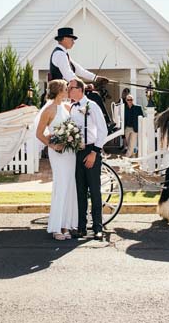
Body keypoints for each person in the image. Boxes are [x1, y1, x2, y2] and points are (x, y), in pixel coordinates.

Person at [35, 79, 78, 240]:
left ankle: (66, 226)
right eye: (66, 88)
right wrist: (52, 146)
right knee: (61, 186)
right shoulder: (48, 109)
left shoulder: (67, 107)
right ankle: (56, 227)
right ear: (59, 90)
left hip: (70, 152)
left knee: (70, 186)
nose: (68, 90)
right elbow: (39, 134)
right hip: (58, 153)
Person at [49, 27, 113, 129]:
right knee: (94, 96)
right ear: (64, 39)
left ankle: (103, 122)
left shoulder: (65, 55)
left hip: (68, 88)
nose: (73, 42)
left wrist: (96, 78)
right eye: (72, 39)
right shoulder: (59, 55)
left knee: (93, 95)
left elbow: (80, 70)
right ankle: (106, 123)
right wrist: (84, 85)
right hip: (62, 91)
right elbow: (69, 75)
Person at [67, 77, 107, 241]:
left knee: (94, 190)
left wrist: (94, 152)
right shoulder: (72, 108)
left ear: (80, 89)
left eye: (71, 88)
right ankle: (81, 227)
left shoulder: (92, 106)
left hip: (92, 151)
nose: (68, 91)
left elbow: (102, 130)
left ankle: (98, 227)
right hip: (76, 152)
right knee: (80, 191)